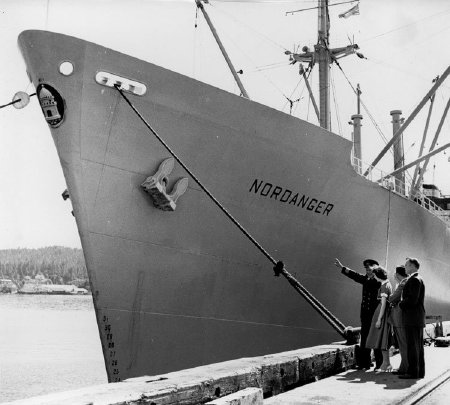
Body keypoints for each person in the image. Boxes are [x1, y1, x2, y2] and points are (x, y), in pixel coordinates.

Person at [334, 258, 382, 370]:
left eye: (369, 269)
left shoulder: (379, 282)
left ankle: (380, 364)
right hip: (365, 314)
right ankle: (365, 363)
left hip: (375, 315)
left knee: (375, 339)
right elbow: (355, 276)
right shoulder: (367, 279)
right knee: (364, 338)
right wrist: (343, 268)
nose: (367, 271)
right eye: (366, 269)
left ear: (375, 269)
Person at [398, 257, 425, 379]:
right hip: (416, 318)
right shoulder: (416, 279)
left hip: (412, 317)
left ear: (413, 266)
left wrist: (400, 304)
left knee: (412, 346)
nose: (405, 267)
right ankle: (419, 372)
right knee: (417, 346)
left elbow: (412, 300)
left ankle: (412, 372)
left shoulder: (414, 280)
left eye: (407, 265)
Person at [366, 266, 393, 371]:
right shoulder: (388, 284)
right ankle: (386, 364)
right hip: (385, 314)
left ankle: (385, 364)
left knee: (381, 340)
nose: (374, 277)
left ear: (377, 275)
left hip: (382, 314)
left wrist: (379, 319)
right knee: (382, 340)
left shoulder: (384, 286)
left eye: (374, 275)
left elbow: (383, 304)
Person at [388, 265, 409, 375]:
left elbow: (392, 298)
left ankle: (404, 367)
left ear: (397, 274)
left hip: (399, 319)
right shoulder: (407, 281)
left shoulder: (402, 283)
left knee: (402, 344)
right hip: (404, 318)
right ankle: (404, 366)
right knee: (404, 343)